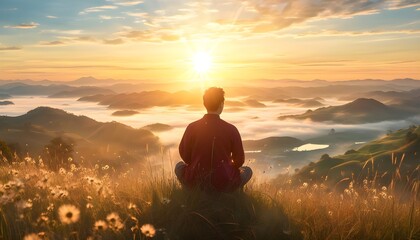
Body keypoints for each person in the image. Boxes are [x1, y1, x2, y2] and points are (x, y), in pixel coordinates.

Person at [175, 87, 252, 192]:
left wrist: (197, 163)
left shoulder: (192, 127)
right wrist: (227, 166)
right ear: (221, 104)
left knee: (179, 166)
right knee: (247, 171)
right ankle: (235, 196)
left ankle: (189, 192)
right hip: (224, 181)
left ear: (204, 103)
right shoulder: (231, 129)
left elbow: (185, 156)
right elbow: (239, 161)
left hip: (196, 179)